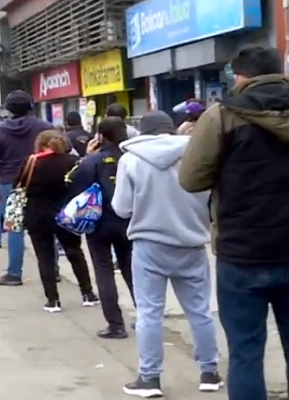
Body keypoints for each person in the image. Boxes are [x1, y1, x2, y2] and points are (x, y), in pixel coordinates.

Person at [178, 45, 289, 400]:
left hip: (243, 252)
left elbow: (191, 179)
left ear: (240, 77)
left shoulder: (222, 115)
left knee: (246, 350)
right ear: (280, 71)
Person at [111, 111, 221, 397]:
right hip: (191, 243)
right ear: (171, 130)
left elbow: (121, 208)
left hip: (149, 245)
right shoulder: (197, 155)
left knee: (149, 313)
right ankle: (209, 373)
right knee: (199, 311)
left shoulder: (130, 160)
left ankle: (150, 379)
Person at [66, 117, 133, 338]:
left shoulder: (92, 161)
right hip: (128, 220)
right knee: (132, 269)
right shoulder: (131, 157)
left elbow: (73, 183)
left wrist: (87, 156)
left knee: (104, 271)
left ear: (100, 136)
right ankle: (146, 316)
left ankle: (115, 324)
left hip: (99, 222)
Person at [18, 129, 99, 312]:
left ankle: (52, 300)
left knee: (44, 256)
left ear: (40, 144)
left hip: (37, 213)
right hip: (66, 212)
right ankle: (88, 294)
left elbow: (19, 183)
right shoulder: (72, 162)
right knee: (74, 252)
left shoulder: (31, 161)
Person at [0, 90, 53, 286]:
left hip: (10, 183)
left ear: (8, 109)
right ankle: (52, 269)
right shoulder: (44, 128)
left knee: (14, 228)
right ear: (31, 106)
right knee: (46, 226)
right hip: (41, 179)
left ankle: (14, 273)